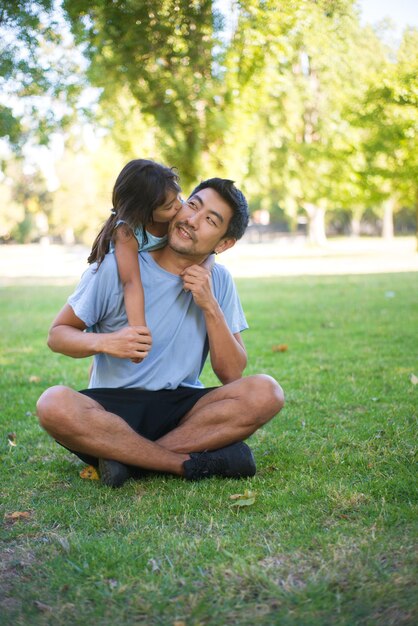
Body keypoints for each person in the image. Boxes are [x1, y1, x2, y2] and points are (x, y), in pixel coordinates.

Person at [36, 178, 285, 487]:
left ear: (223, 244)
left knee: (267, 392)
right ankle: (184, 464)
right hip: (112, 408)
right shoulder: (115, 267)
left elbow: (233, 374)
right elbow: (58, 334)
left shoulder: (218, 280)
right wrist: (106, 342)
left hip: (182, 409)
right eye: (193, 205)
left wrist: (210, 306)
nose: (192, 220)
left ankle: (127, 460)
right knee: (53, 404)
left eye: (210, 220)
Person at [88, 159, 182, 353]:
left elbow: (208, 248)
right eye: (168, 207)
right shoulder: (127, 232)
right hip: (117, 290)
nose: (179, 207)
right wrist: (139, 333)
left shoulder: (174, 206)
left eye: (178, 198)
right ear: (144, 213)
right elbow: (130, 282)